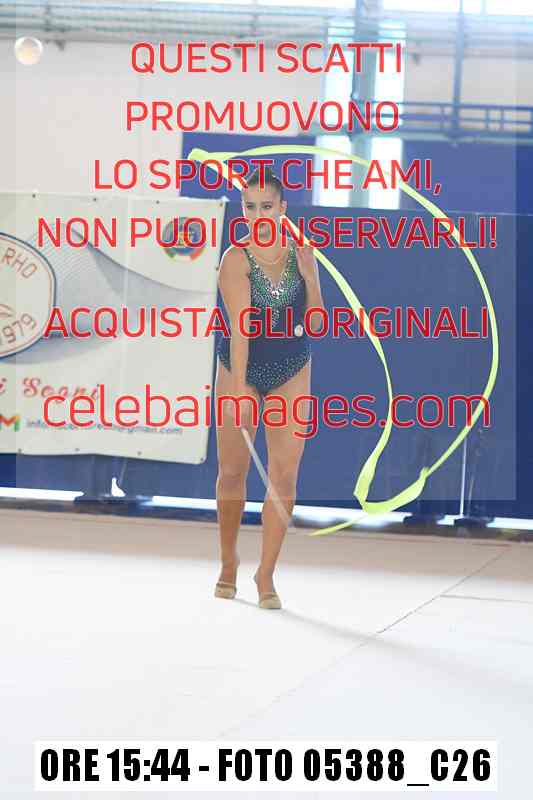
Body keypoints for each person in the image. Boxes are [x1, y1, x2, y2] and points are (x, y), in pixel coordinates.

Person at [213, 167, 326, 609]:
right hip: (239, 364)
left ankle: (266, 573)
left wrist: (311, 277)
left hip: (290, 366)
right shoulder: (235, 259)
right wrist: (240, 389)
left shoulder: (301, 254)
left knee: (285, 474)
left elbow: (317, 323)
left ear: (282, 208)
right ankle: (228, 561)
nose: (258, 214)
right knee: (232, 472)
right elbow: (241, 330)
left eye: (266, 206)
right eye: (249, 207)